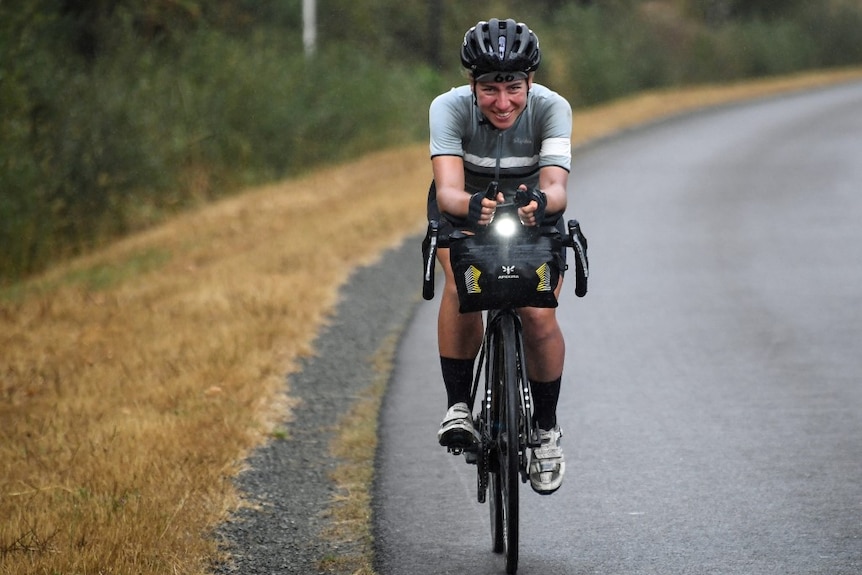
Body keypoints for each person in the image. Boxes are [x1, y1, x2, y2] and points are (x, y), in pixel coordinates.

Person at [428, 18, 572, 495]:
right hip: (466, 205)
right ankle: (459, 408)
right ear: (473, 84)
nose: (503, 102)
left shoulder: (553, 109)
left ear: (530, 81)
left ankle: (547, 430)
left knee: (537, 313)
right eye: (490, 88)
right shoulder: (447, 108)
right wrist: (470, 205)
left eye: (514, 87)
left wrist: (542, 204)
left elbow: (556, 186)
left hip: (532, 207)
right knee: (460, 282)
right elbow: (448, 188)